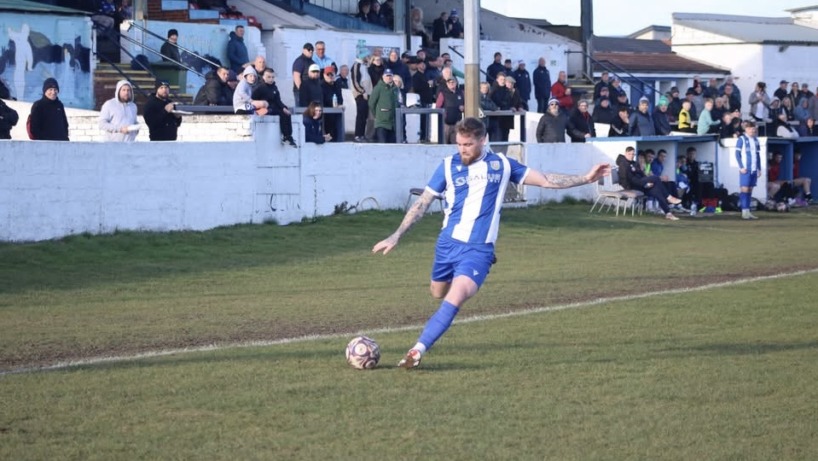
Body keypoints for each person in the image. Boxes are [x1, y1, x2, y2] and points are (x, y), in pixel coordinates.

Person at [372, 117, 609, 369]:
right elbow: (423, 203)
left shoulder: (502, 165)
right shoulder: (447, 166)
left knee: (455, 296)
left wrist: (585, 178)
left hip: (479, 250)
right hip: (447, 245)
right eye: (459, 144)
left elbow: (546, 180)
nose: (462, 149)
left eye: (468, 144)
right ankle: (456, 282)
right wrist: (396, 234)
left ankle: (417, 350)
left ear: (483, 140)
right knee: (437, 292)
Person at [616, 146, 681, 220]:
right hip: (631, 186)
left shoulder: (634, 163)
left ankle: (668, 213)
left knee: (657, 191)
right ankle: (669, 197)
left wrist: (647, 181)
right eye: (630, 154)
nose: (631, 156)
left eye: (633, 154)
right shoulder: (623, 165)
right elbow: (630, 180)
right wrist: (645, 184)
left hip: (639, 184)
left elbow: (641, 174)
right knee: (656, 178)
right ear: (625, 153)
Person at [252, 67, 297, 147]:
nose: (271, 79)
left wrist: (284, 108)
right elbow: (253, 99)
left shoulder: (274, 87)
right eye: (269, 77)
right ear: (263, 77)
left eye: (272, 77)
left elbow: (278, 100)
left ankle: (289, 135)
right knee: (281, 114)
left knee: (286, 113)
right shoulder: (260, 87)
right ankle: (285, 136)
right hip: (266, 109)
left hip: (275, 107)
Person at [735, 120, 762, 220]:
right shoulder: (741, 139)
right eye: (751, 128)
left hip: (754, 169)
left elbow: (758, 155)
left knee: (750, 189)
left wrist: (759, 168)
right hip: (745, 169)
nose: (753, 130)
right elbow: (737, 154)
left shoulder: (756, 140)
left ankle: (748, 211)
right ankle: (744, 211)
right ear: (746, 129)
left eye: (754, 128)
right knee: (744, 189)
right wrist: (741, 167)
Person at [369, 68, 398, 143]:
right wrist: (378, 114)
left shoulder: (395, 89)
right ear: (383, 76)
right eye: (387, 75)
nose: (389, 77)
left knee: (392, 145)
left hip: (393, 123)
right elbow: (371, 103)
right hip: (382, 123)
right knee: (382, 144)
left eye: (390, 76)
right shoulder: (378, 88)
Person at [351, 51, 372, 142]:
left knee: (365, 115)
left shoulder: (365, 65)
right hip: (360, 95)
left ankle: (363, 134)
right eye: (366, 55)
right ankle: (358, 135)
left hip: (368, 93)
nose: (368, 57)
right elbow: (355, 80)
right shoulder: (356, 65)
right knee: (360, 114)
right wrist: (362, 92)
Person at [436, 76, 464, 144]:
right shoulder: (443, 93)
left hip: (457, 123)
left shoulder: (461, 93)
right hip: (446, 123)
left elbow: (466, 104)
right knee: (444, 143)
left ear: (456, 83)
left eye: (453, 82)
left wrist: (463, 107)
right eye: (449, 82)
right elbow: (438, 107)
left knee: (456, 144)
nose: (451, 84)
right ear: (447, 84)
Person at [321, 65, 343, 142]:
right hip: (325, 116)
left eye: (331, 74)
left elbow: (340, 98)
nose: (330, 76)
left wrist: (340, 104)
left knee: (336, 136)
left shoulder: (336, 85)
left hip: (335, 116)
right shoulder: (321, 86)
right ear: (324, 75)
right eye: (328, 74)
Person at [291, 42, 315, 107]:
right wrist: (302, 91)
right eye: (309, 49)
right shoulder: (299, 61)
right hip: (300, 92)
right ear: (303, 50)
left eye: (312, 49)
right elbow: (296, 77)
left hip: (311, 92)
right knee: (302, 111)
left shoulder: (312, 62)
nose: (311, 51)